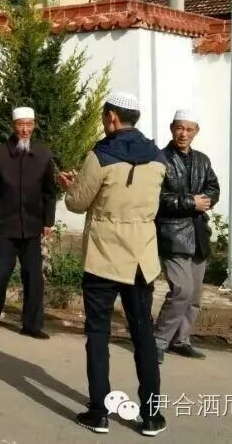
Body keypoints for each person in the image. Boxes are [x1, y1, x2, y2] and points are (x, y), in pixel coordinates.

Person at [59, 92, 167, 437]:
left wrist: (70, 187)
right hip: (141, 260)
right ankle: (151, 415)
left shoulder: (100, 156)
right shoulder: (158, 157)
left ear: (111, 117)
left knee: (98, 334)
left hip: (104, 258)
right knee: (143, 335)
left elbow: (77, 203)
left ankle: (99, 412)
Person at [0, 107, 56, 339]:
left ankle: (32, 325)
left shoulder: (43, 155)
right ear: (13, 126)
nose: (25, 129)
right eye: (21, 124)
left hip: (32, 228)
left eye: (29, 124)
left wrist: (48, 221)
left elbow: (49, 192)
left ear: (34, 125)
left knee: (34, 278)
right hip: (4, 229)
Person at [154, 109, 220, 363]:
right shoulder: (160, 159)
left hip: (198, 233)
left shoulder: (202, 160)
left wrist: (206, 200)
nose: (183, 134)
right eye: (180, 128)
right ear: (172, 128)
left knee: (194, 296)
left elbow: (213, 188)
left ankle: (180, 340)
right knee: (181, 290)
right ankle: (157, 341)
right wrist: (191, 202)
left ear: (196, 131)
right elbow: (157, 197)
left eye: (189, 129)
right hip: (172, 233)